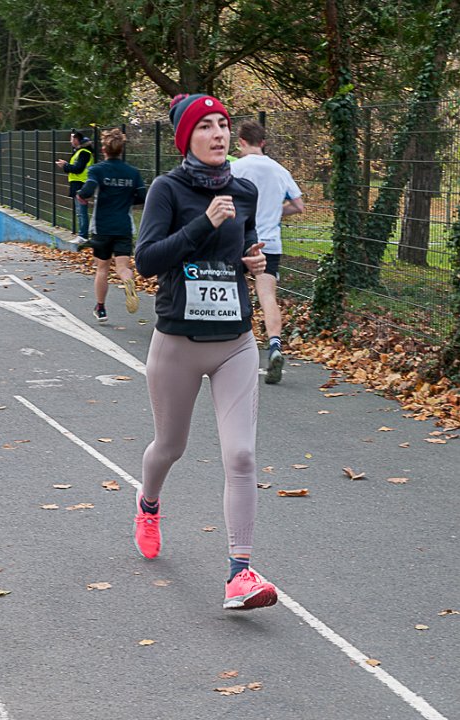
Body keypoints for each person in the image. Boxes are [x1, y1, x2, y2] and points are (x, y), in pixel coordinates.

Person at [133, 93, 277, 611]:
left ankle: (240, 573)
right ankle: (149, 503)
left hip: (235, 342)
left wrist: (252, 262)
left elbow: (245, 248)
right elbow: (147, 260)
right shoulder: (167, 189)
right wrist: (204, 224)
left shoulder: (243, 190)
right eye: (206, 126)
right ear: (186, 138)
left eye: (223, 124)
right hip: (178, 343)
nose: (218, 133)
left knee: (241, 455)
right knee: (169, 447)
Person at [231, 120, 304, 384]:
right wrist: (274, 212)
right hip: (269, 244)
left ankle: (231, 348)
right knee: (267, 296)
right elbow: (298, 205)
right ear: (263, 142)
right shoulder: (279, 170)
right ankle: (274, 346)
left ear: (241, 141)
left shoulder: (235, 168)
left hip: (238, 239)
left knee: (232, 290)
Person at [76, 128, 146, 322]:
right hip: (124, 227)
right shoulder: (132, 172)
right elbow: (142, 196)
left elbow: (88, 189)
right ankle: (128, 280)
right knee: (122, 267)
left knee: (102, 269)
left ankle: (101, 309)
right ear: (121, 150)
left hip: (102, 228)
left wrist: (81, 195)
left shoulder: (97, 170)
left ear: (104, 150)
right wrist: (126, 200)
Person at [55, 130, 94, 242]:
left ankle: (83, 236)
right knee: (79, 211)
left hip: (81, 184)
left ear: (77, 140)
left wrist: (65, 165)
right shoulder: (79, 152)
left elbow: (78, 169)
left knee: (81, 211)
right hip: (78, 184)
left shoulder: (84, 152)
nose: (70, 141)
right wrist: (66, 165)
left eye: (72, 138)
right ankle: (82, 235)